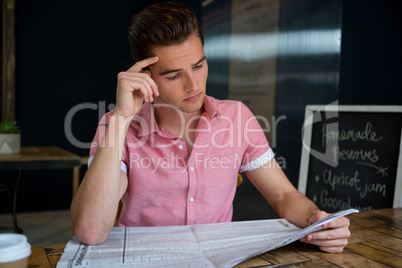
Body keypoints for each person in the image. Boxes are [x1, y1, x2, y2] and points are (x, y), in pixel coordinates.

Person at [70, 2, 351, 253]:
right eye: (173, 75)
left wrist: (316, 219)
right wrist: (121, 118)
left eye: (198, 65)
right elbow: (91, 232)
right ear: (146, 77)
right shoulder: (116, 125)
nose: (194, 86)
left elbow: (283, 195)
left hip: (218, 258)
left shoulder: (237, 117)